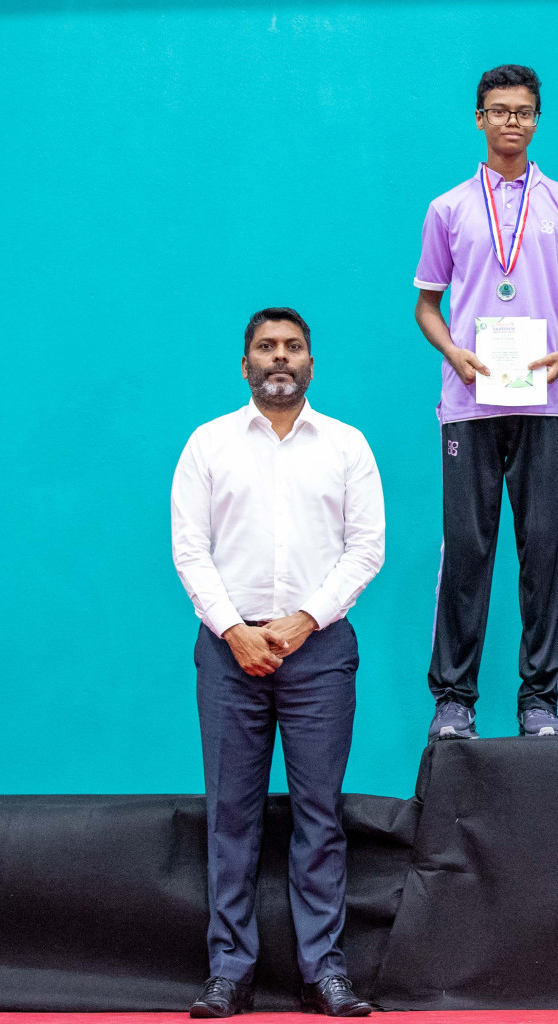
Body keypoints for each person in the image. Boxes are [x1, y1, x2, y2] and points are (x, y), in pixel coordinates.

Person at [172, 308, 384, 1018]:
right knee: (231, 815)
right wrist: (234, 629)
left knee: (318, 817)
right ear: (245, 364)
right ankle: (228, 971)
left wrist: (303, 619)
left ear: (312, 365)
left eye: (293, 347)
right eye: (266, 347)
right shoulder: (208, 444)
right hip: (230, 652)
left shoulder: (347, 446)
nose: (279, 358)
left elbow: (366, 548)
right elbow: (189, 550)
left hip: (318, 651)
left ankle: (323, 971)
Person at [415, 64, 558, 741]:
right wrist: (453, 353)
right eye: (499, 110)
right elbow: (427, 306)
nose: (511, 121)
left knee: (542, 552)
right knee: (466, 550)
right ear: (479, 118)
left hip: (545, 402)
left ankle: (538, 702)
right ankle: (454, 700)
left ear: (536, 120)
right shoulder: (448, 208)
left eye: (522, 111)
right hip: (468, 401)